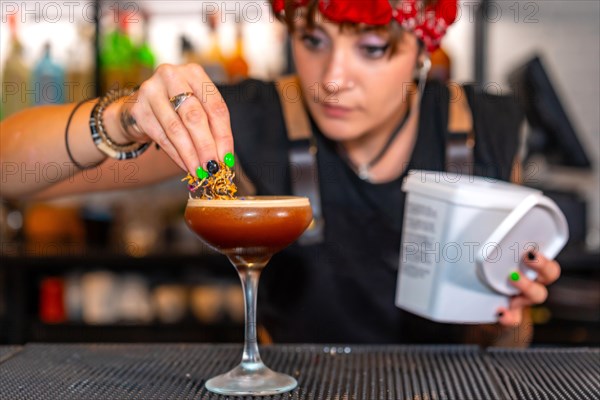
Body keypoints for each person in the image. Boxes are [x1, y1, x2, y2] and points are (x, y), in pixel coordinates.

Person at [1, 0, 561, 345]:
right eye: (312, 40)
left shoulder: (484, 127)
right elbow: (12, 173)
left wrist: (508, 318)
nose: (333, 78)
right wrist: (119, 119)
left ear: (421, 50)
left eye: (371, 49)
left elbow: (504, 343)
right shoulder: (242, 119)